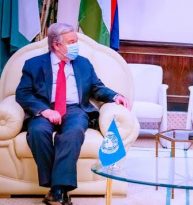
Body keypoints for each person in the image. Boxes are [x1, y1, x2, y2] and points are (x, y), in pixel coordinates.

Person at [15, 23, 129, 205]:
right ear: (56, 45)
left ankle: (57, 190)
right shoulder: (33, 64)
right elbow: (23, 93)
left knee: (74, 132)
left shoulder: (83, 63)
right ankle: (58, 188)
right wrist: (44, 110)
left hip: (75, 109)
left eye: (76, 41)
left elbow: (96, 87)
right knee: (37, 132)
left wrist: (115, 96)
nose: (76, 45)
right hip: (45, 108)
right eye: (71, 42)